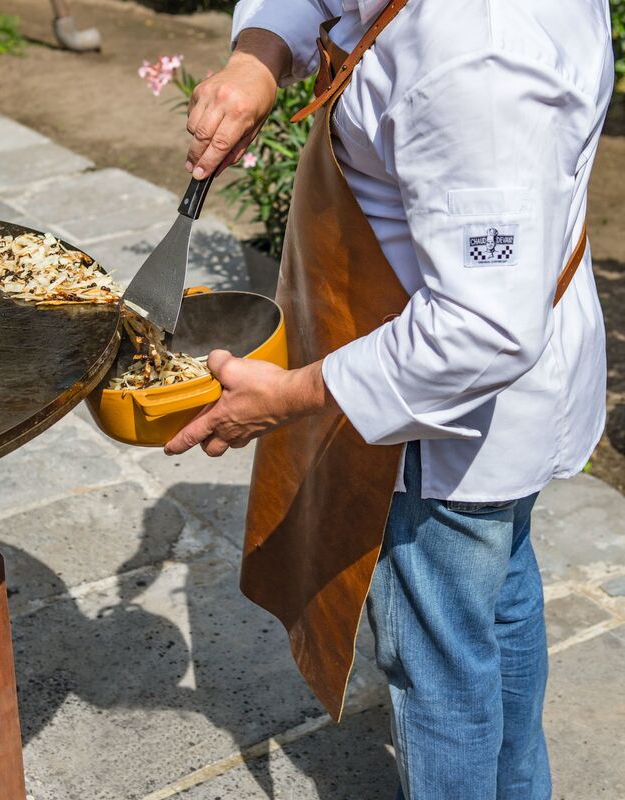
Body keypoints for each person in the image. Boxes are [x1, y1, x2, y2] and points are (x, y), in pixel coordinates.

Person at [163, 1, 615, 797]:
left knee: (440, 666)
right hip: (488, 395)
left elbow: (480, 329)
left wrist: (295, 395)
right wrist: (259, 57)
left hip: (444, 418)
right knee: (498, 604)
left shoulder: (477, 55)